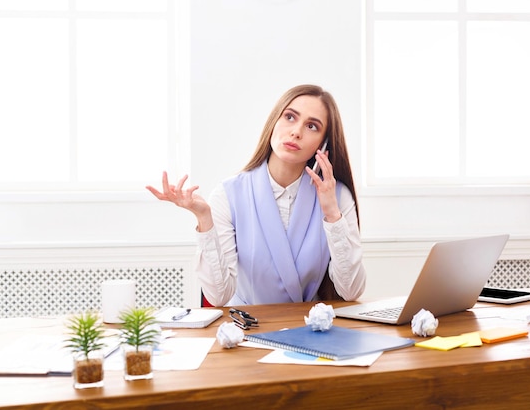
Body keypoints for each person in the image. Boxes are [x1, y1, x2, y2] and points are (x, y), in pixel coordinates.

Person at [147, 84, 366, 306]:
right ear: (273, 122)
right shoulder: (228, 194)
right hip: (247, 328)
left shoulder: (337, 197)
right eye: (290, 117)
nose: (296, 131)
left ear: (324, 143)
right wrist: (204, 219)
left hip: (311, 328)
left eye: (312, 126)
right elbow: (218, 296)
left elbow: (351, 291)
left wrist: (332, 214)